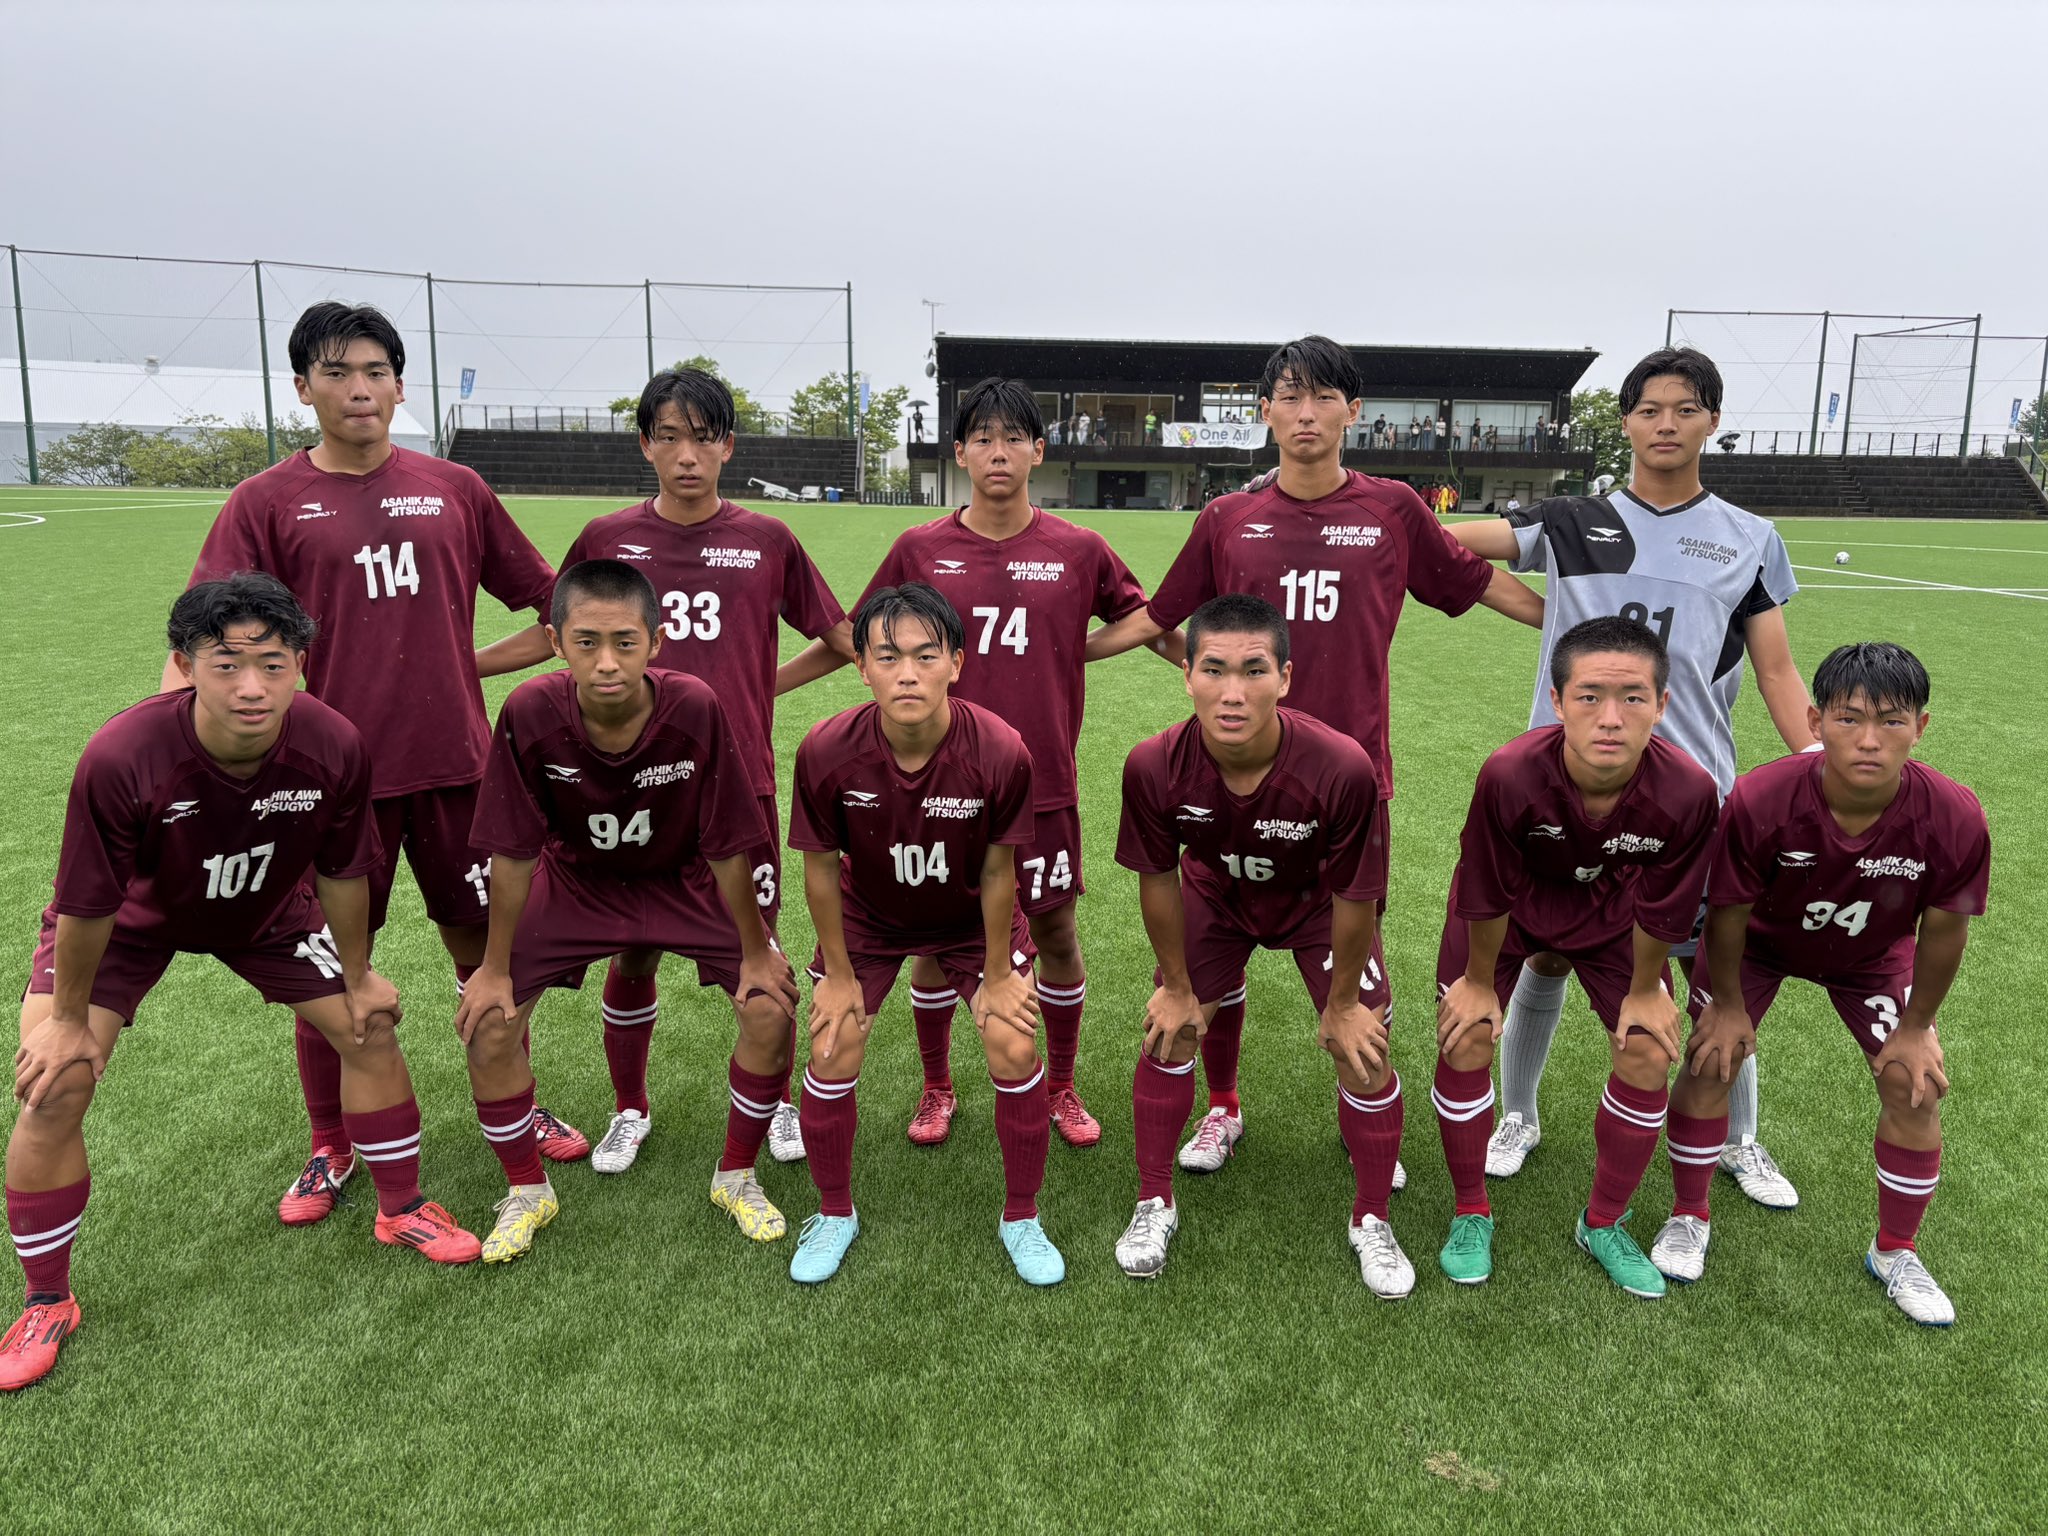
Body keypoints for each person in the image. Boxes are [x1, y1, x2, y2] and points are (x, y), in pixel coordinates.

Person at [2, 577, 480, 1391]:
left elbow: (344, 871)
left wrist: (358, 975)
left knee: (368, 1026)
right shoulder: (122, 755)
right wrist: (69, 1020)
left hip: (267, 914)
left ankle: (400, 1209)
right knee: (57, 1082)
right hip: (130, 925)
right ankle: (48, 1298)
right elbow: (86, 905)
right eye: (225, 665)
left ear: (302, 665)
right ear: (185, 665)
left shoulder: (333, 744)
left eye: (272, 663)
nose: (252, 687)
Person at [1086, 335, 1543, 1179]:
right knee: (1210, 959)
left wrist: (1576, 629)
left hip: (1347, 787)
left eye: (1324, 396)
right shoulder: (1228, 517)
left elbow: (1477, 584)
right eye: (1290, 397)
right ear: (1265, 411)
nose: (1306, 413)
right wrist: (1065, 652)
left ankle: (1359, 1112)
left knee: (1356, 976)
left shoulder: (1394, 509)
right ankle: (1222, 1108)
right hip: (1234, 779)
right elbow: (1160, 618)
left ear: (1352, 411)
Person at [172, 301, 586, 1226]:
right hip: (323, 786)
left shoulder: (455, 487)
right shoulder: (264, 502)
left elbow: (554, 608)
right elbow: (204, 635)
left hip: (458, 772)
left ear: (400, 386)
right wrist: (179, 746)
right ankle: (333, 1141)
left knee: (488, 956)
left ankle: (516, 1105)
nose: (358, 390)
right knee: (325, 971)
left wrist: (465, 666)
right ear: (302, 388)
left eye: (375, 372)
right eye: (336, 373)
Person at [1448, 347, 1816, 1208]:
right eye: (1649, 410)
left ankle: (1740, 1138)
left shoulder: (1750, 538)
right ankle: (1519, 1114)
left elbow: (1775, 670)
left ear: (1712, 421)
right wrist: (1548, 616)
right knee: (1544, 953)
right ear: (1625, 422)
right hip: (1567, 786)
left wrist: (1813, 766)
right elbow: (1447, 544)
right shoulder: (1572, 520)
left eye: (1684, 409)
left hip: (1689, 796)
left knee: (1713, 973)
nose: (1665, 424)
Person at [776, 378, 1168, 1150]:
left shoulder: (1078, 548)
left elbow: (1146, 616)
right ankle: (937, 1086)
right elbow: (862, 635)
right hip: (934, 791)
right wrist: (763, 686)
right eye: (982, 438)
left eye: (1014, 437)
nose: (998, 452)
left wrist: (1081, 649)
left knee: (1055, 934)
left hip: (1039, 785)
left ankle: (1060, 1085)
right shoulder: (920, 548)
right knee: (934, 942)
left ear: (1039, 451)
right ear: (958, 452)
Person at [475, 367, 850, 1173]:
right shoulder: (607, 537)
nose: (687, 455)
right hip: (619, 783)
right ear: (645, 444)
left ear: (729, 447)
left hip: (734, 782)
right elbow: (557, 630)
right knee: (632, 947)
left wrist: (763, 684)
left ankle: (778, 1102)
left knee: (761, 950)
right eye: (670, 437)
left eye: (704, 438)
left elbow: (839, 635)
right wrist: (462, 665)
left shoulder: (768, 539)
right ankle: (629, 1108)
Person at [456, 560, 802, 1261]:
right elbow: (513, 851)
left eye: (624, 642)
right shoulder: (528, 710)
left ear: (657, 641)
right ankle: (526, 1190)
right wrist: (493, 967)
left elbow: (728, 842)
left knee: (770, 1007)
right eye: (586, 642)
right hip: (578, 882)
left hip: (682, 880)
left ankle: (736, 1175)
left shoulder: (695, 705)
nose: (606, 662)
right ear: (556, 642)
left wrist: (756, 949)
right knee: (489, 1022)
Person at [1651, 643, 1988, 1324]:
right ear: (1816, 721)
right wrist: (1727, 1004)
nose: (1869, 740)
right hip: (1760, 947)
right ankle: (1689, 1214)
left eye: (1891, 721)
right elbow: (1729, 911)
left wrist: (1916, 1027)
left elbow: (1945, 931)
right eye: (1849, 718)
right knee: (1712, 1057)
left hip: (1871, 957)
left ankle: (1896, 1251)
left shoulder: (1954, 814)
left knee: (1914, 1084)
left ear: (1920, 727)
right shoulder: (1763, 796)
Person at [1114, 595, 1406, 1293]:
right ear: (1187, 674)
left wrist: (1342, 1005)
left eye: (1254, 670)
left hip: (1317, 906)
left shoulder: (1341, 766)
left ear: (1285, 678)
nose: (1233, 692)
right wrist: (1177, 986)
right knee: (1171, 1031)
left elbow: (1357, 897)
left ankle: (1372, 1217)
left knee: (1363, 1050)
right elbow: (1158, 880)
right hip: (1216, 897)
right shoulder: (1154, 765)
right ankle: (1157, 1196)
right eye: (1214, 669)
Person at [1433, 617, 1718, 1296]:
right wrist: (1478, 982)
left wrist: (1645, 990)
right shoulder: (1510, 774)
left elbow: (1665, 905)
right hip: (1508, 914)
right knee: (1466, 1034)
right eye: (1590, 697)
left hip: (1611, 917)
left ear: (1663, 704)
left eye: (1633, 698)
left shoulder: (1688, 790)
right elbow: (1485, 887)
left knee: (1647, 1048)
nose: (1610, 719)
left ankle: (1604, 1221)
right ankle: (1470, 1211)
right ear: (1557, 702)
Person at [786, 583, 1057, 1286]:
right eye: (888, 657)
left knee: (1013, 1042)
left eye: (926, 655)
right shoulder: (826, 749)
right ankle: (834, 1212)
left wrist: (997, 974)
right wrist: (837, 974)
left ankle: (1022, 1217)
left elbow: (999, 871)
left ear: (956, 664)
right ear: (861, 667)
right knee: (832, 1044)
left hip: (970, 919)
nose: (907, 673)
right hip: (869, 917)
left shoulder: (1000, 750)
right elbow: (820, 870)